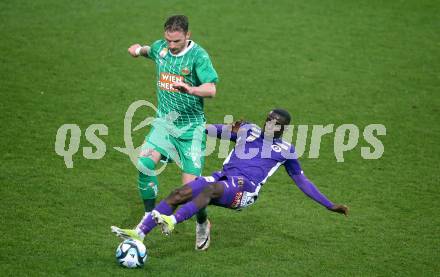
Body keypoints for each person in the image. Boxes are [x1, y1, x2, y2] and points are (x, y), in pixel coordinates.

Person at [111, 109, 349, 245]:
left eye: (275, 123)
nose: (269, 124)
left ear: (282, 129)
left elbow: (302, 181)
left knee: (209, 190)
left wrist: (329, 205)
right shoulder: (248, 130)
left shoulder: (286, 150)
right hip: (224, 178)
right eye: (268, 119)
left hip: (246, 191)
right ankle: (140, 233)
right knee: (180, 192)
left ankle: (173, 221)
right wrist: (186, 129)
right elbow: (211, 130)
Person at [127, 15, 218, 250]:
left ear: (188, 36)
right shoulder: (161, 48)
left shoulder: (199, 56)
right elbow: (151, 50)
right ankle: (149, 216)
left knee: (190, 190)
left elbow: (211, 89)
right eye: (168, 40)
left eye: (176, 41)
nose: (171, 45)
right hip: (164, 125)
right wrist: (137, 50)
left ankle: (202, 222)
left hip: (191, 130)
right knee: (144, 163)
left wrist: (191, 89)